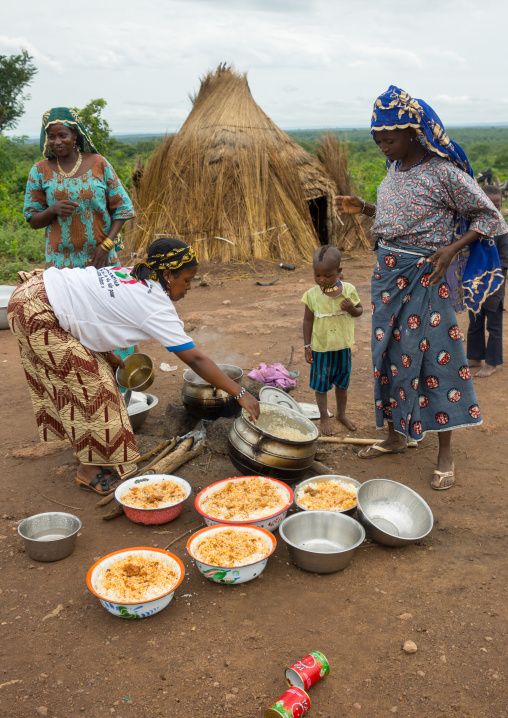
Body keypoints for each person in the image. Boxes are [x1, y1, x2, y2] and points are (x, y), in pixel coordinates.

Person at [333, 85, 507, 490]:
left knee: (437, 359)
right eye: (377, 141)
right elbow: (403, 217)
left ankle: (444, 451)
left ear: (413, 132)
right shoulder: (394, 169)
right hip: (387, 277)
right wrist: (365, 209)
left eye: (389, 139)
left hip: (426, 277)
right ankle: (395, 434)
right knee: (390, 353)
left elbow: (491, 218)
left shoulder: (444, 172)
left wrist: (450, 250)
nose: (383, 147)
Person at [7, 238, 259, 496]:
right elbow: (195, 360)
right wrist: (240, 393)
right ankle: (88, 470)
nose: (190, 287)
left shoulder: (137, 274)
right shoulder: (155, 305)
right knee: (99, 391)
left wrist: (106, 353)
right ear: (168, 274)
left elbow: (91, 309)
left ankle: (86, 448)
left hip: (38, 292)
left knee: (84, 380)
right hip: (38, 311)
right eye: (187, 280)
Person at [23, 107, 134, 270]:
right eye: (51, 137)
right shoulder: (39, 170)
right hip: (60, 264)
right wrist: (52, 210)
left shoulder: (99, 163)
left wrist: (106, 246)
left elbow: (123, 209)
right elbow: (33, 220)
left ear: (75, 134)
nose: (57, 142)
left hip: (100, 259)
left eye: (63, 135)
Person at [302, 245, 363, 435]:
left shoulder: (349, 290)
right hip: (321, 349)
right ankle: (324, 418)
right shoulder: (312, 295)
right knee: (321, 386)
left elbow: (360, 311)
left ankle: (341, 414)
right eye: (317, 275)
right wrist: (307, 345)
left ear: (339, 272)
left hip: (342, 347)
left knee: (342, 383)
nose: (321, 280)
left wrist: (352, 309)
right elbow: (307, 320)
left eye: (327, 276)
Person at [467, 185, 508, 378]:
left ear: (501, 206)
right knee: (474, 322)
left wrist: (491, 278)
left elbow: (505, 261)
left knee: (493, 325)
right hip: (475, 285)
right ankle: (474, 357)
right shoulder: (473, 227)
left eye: (497, 206)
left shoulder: (503, 231)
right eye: (489, 205)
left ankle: (492, 362)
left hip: (494, 287)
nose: (493, 210)